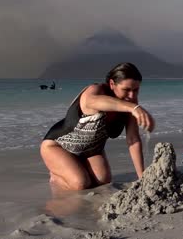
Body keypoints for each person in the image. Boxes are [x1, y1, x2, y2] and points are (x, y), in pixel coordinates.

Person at [40, 62, 155, 190]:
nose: (132, 96)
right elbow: (91, 101)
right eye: (126, 90)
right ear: (112, 84)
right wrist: (133, 107)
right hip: (57, 146)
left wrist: (142, 178)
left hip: (91, 150)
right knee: (81, 184)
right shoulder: (95, 91)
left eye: (136, 90)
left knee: (104, 181)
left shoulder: (130, 104)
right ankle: (55, 176)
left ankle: (77, 167)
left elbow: (133, 140)